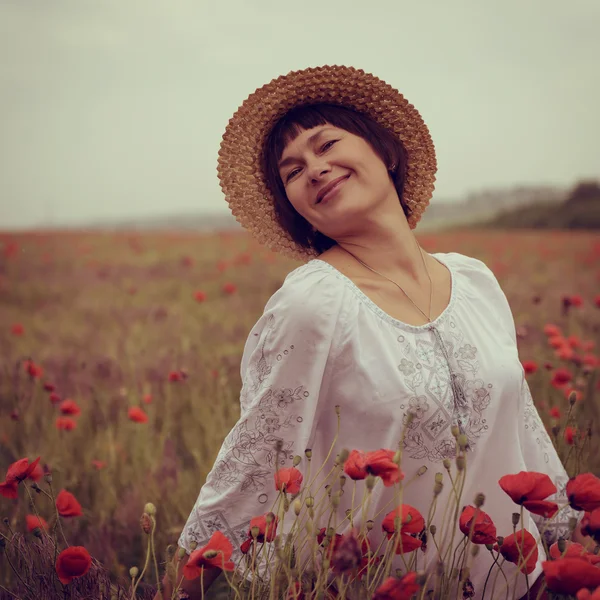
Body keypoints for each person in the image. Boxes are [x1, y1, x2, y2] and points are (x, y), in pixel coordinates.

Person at [155, 65, 590, 600]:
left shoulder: (475, 281)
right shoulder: (313, 304)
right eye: (292, 171)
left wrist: (571, 539)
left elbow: (522, 430)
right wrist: (187, 585)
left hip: (518, 581)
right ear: (296, 208)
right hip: (385, 586)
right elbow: (253, 463)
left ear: (385, 151)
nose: (314, 169)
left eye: (326, 145)